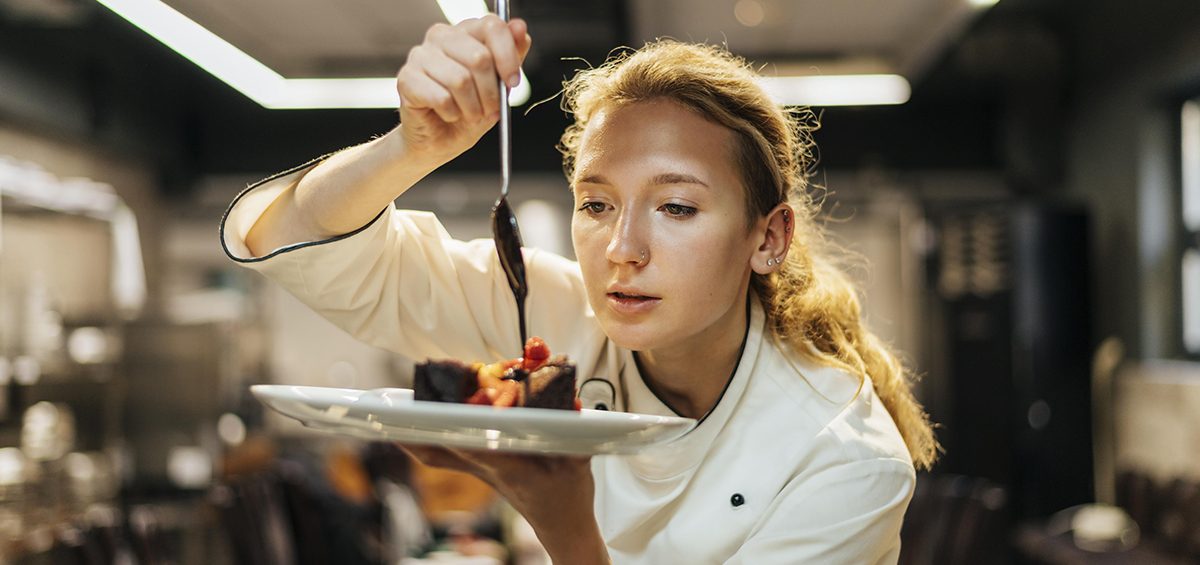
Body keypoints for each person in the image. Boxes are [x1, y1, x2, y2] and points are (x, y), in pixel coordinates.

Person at [220, 14, 938, 564]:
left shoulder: (845, 457)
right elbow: (289, 241)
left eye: (677, 208)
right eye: (596, 205)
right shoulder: (554, 312)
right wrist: (410, 147)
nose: (621, 250)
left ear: (768, 237)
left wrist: (565, 524)